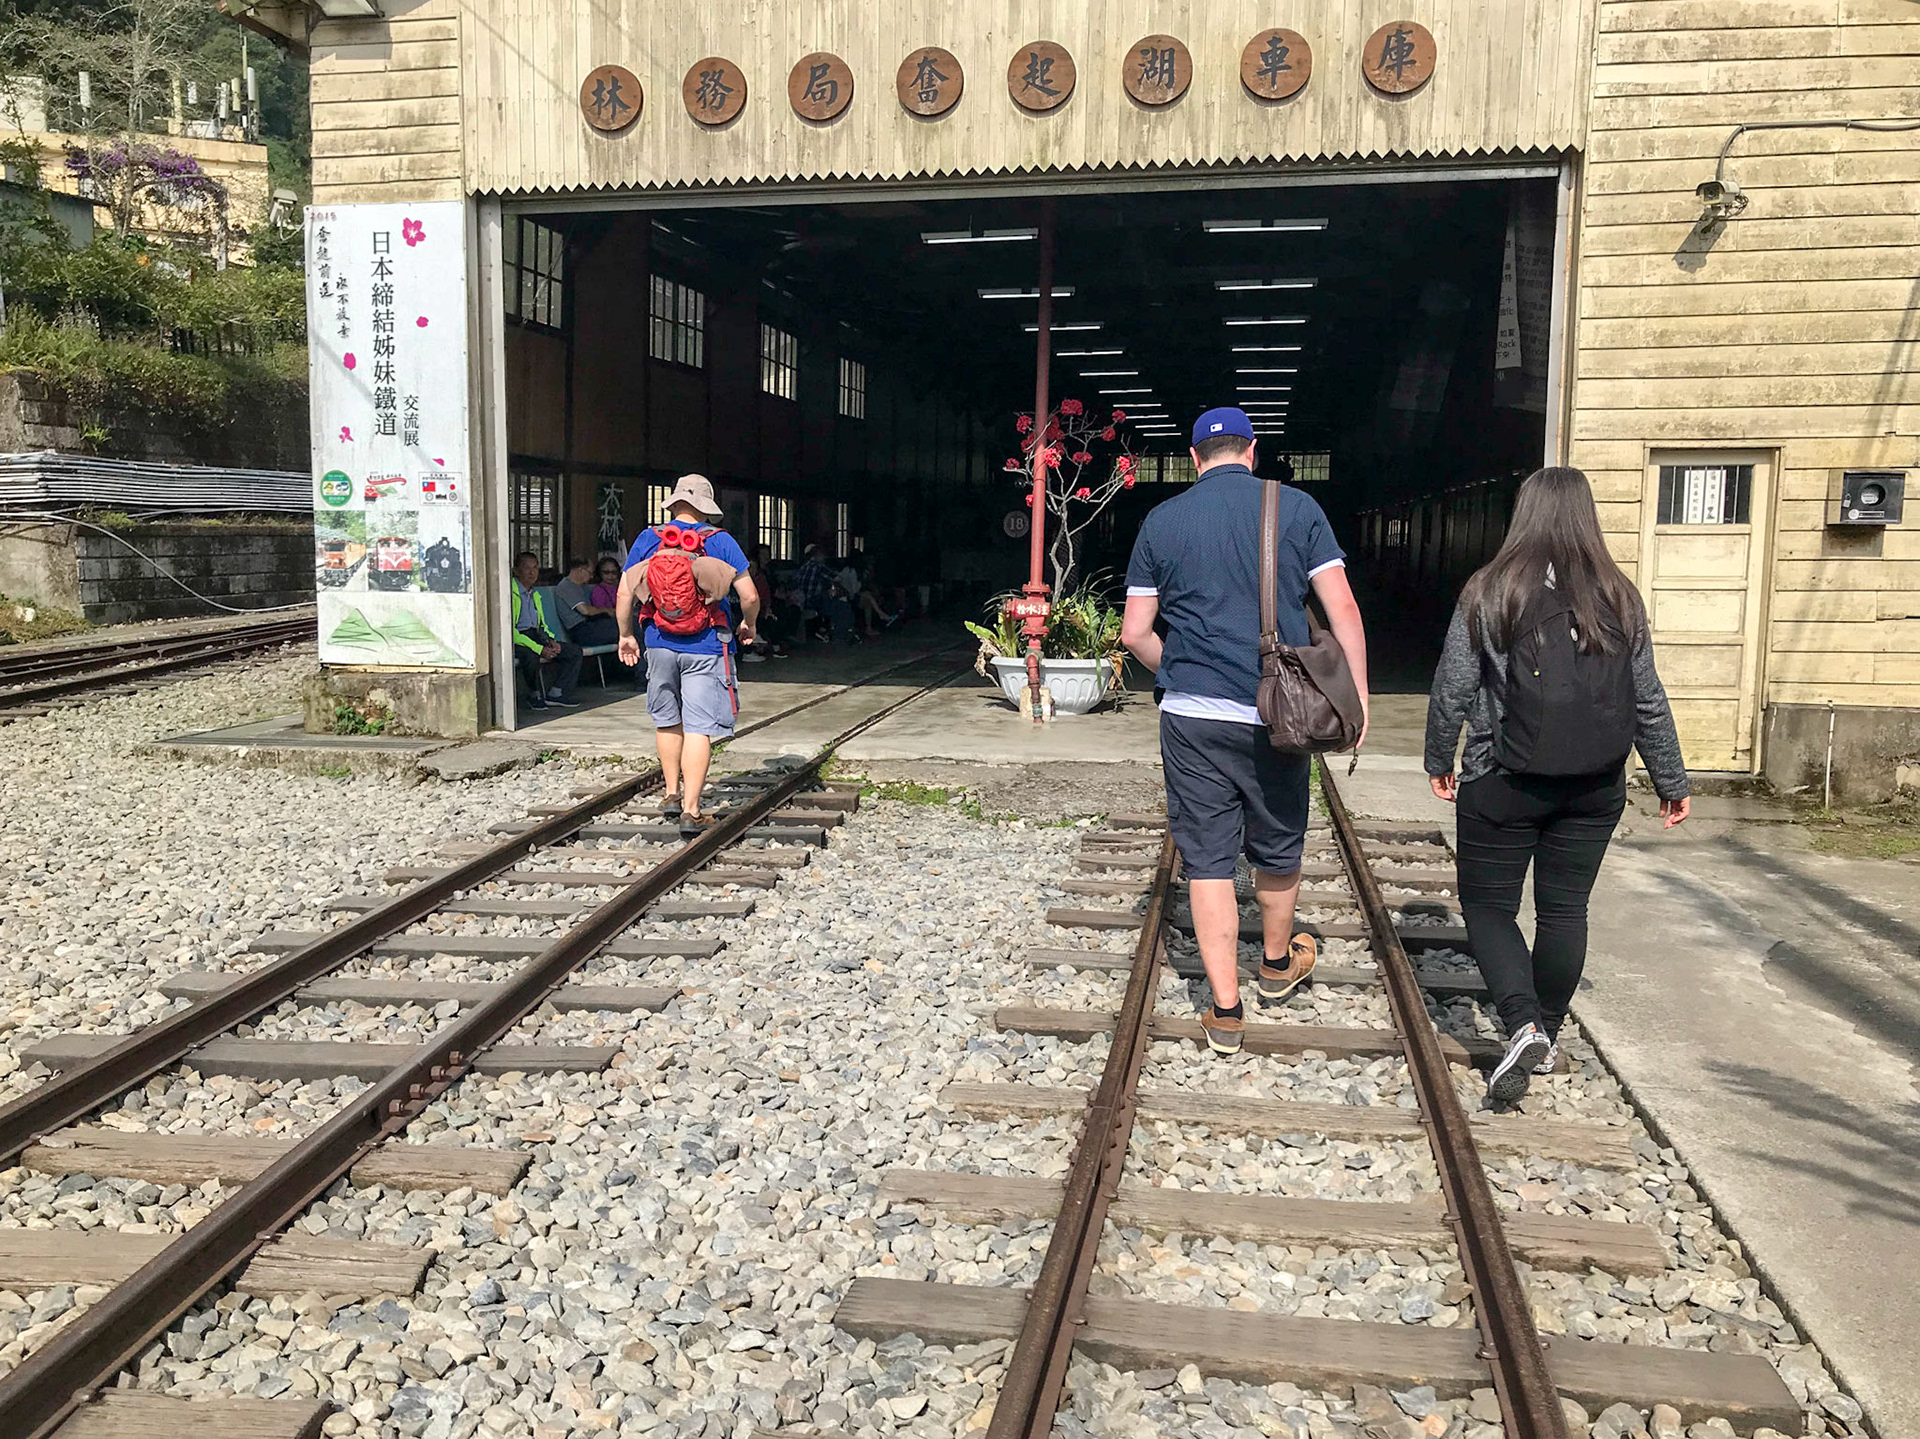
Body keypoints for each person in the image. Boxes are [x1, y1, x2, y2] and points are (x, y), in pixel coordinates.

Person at [1425, 465, 1690, 1104]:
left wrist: (1440, 757)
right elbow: (1647, 696)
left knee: (1489, 906)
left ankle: (1520, 1025)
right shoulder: (1619, 594)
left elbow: (1455, 686)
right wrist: (1669, 778)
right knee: (1565, 909)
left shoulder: (1489, 591)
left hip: (1501, 776)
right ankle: (1545, 1024)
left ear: (1524, 514)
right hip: (1597, 783)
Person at [1121, 408, 1369, 1057]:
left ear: (1195, 458)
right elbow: (1342, 609)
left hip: (1191, 716)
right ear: (1252, 452)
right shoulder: (1298, 510)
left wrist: (1178, 671)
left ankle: (1225, 1010)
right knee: (1279, 838)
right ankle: (1277, 966)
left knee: (1205, 856)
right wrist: (1358, 699)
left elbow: (1135, 633)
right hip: (1274, 710)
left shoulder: (1161, 521)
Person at [615, 474, 760, 829]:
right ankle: (691, 810)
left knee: (667, 720)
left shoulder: (650, 539)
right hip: (708, 644)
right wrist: (749, 625)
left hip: (659, 642)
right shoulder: (721, 541)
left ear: (675, 503)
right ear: (706, 508)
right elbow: (750, 596)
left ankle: (670, 793)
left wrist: (626, 635)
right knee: (699, 726)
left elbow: (624, 594)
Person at [510, 551, 581, 710]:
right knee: (531, 655)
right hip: (516, 638)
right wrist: (539, 648)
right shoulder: (510, 593)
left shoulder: (534, 593)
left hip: (535, 635)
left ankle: (557, 693)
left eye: (535, 567)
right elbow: (510, 632)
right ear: (516, 570)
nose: (532, 572)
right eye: (526, 568)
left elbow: (541, 625)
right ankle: (534, 693)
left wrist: (551, 640)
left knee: (574, 651)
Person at [553, 556, 619, 648]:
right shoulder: (566, 586)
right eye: (590, 573)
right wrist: (606, 610)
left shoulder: (582, 587)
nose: (591, 577)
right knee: (626, 629)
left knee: (627, 627)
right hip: (580, 631)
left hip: (592, 625)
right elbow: (585, 610)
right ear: (581, 570)